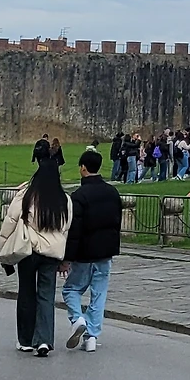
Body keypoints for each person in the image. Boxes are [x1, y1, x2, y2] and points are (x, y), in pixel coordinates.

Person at [0, 148, 70, 355]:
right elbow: (66, 229)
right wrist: (65, 257)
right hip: (52, 252)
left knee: (26, 293)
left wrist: (3, 251)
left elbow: (9, 223)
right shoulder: (65, 200)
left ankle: (26, 339)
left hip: (29, 249)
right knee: (46, 297)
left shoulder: (26, 195)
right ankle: (44, 340)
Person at [62, 148, 123, 352]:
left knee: (71, 289)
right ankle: (92, 336)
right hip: (105, 251)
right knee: (99, 294)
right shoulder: (112, 192)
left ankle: (77, 319)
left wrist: (67, 258)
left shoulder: (79, 196)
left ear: (83, 168)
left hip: (84, 253)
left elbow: (74, 230)